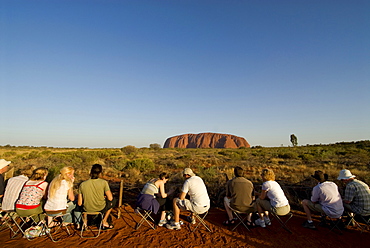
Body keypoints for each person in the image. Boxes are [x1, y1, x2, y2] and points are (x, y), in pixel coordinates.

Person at [78, 164, 115, 230]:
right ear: (100, 173)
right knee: (113, 202)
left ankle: (85, 222)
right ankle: (104, 221)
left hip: (87, 209)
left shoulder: (82, 184)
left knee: (83, 206)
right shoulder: (104, 182)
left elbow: (79, 203)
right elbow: (110, 198)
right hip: (100, 207)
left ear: (90, 172)